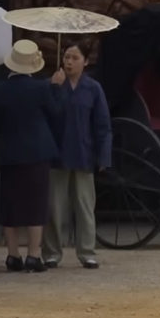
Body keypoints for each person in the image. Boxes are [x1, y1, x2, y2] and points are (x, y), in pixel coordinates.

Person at [0, 40, 65, 273]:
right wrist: (56, 87)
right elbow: (56, 112)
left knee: (10, 205)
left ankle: (13, 256)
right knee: (36, 204)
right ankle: (33, 255)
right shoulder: (41, 88)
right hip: (37, 153)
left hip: (9, 153)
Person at [43, 42, 112, 270]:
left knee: (84, 206)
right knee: (54, 207)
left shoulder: (93, 88)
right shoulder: (52, 85)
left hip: (84, 153)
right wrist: (54, 88)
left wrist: (103, 156)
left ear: (86, 61)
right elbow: (44, 117)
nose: (69, 62)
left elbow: (103, 125)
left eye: (74, 58)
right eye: (66, 57)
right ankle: (52, 252)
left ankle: (87, 252)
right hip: (57, 153)